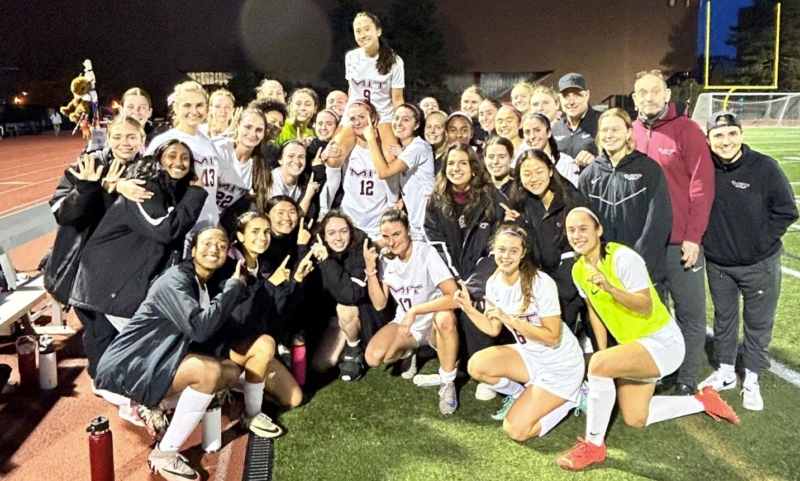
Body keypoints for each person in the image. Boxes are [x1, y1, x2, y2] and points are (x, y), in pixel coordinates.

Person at [556, 207, 739, 471]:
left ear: (599, 231)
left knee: (597, 365)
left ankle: (594, 446)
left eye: (583, 228)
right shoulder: (578, 270)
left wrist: (609, 287)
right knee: (636, 417)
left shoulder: (622, 258)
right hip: (634, 347)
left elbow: (645, 306)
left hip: (662, 343)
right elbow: (594, 313)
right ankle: (703, 401)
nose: (577, 235)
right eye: (571, 230)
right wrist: (605, 352)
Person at [94, 227, 268, 480]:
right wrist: (233, 287)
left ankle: (156, 404)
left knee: (229, 372)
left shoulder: (202, 285)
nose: (215, 249)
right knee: (207, 372)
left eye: (221, 246)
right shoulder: (175, 280)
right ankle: (164, 454)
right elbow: (199, 328)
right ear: (193, 250)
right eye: (207, 243)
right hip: (128, 368)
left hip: (157, 362)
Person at [699, 112, 798, 411]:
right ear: (708, 139)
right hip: (719, 264)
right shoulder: (703, 168)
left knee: (758, 323)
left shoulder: (765, 167)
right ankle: (727, 370)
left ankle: (752, 377)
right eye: (718, 135)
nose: (725, 141)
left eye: (731, 134)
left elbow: (786, 210)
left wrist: (759, 243)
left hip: (760, 264)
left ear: (741, 135)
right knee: (724, 319)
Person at [456, 225, 585, 438]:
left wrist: (511, 320)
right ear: (494, 251)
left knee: (516, 431)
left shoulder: (541, 283)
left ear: (523, 253)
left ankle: (576, 396)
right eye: (501, 249)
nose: (506, 256)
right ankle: (520, 394)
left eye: (513, 250)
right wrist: (469, 310)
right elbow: (492, 328)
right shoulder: (494, 283)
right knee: (477, 365)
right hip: (530, 355)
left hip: (561, 366)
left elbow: (552, 337)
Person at [631, 70, 715, 395]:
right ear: (635, 98)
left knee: (690, 313)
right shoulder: (631, 133)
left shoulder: (687, 130)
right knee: (656, 314)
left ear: (667, 95)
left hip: (681, 243)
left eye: (655, 91)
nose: (649, 97)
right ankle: (664, 370)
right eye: (642, 92)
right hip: (644, 245)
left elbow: (701, 186)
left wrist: (693, 236)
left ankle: (686, 378)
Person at [425, 142, 506, 398]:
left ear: (474, 168)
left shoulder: (492, 199)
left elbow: (498, 247)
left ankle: (487, 371)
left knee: (478, 305)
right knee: (445, 316)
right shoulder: (436, 200)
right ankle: (455, 363)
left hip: (485, 277)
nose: (456, 168)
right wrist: (455, 278)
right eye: (450, 163)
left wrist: (473, 282)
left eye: (462, 163)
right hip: (453, 277)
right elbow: (435, 242)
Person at [46, 116, 150, 308]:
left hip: (126, 268)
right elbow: (65, 215)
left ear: (141, 140)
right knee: (100, 335)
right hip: (83, 269)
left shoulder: (149, 171)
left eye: (131, 137)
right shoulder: (88, 165)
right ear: (108, 139)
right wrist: (88, 188)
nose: (124, 143)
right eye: (117, 137)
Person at [204, 212, 306, 409]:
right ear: (241, 236)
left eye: (267, 232)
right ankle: (251, 414)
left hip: (251, 344)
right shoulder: (227, 266)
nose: (263, 237)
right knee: (265, 343)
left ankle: (238, 385)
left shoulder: (262, 265)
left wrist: (296, 281)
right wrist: (270, 285)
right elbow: (238, 318)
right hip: (222, 345)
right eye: (255, 231)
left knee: (294, 399)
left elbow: (275, 317)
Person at [364, 209, 461, 415]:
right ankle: (413, 351)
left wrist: (415, 311)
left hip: (433, 321)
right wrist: (371, 269)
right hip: (407, 324)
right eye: (386, 236)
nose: (391, 241)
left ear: (408, 230)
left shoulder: (425, 253)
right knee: (374, 357)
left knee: (445, 319)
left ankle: (447, 383)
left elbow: (454, 297)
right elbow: (380, 304)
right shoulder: (386, 259)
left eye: (397, 234)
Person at [579, 108, 672, 295]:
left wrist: (637, 261)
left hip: (643, 267)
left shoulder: (648, 169)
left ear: (628, 132)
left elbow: (659, 220)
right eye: (604, 130)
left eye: (615, 129)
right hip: (603, 268)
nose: (609, 135)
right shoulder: (589, 175)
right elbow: (584, 223)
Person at [504, 149, 588, 334]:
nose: (534, 178)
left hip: (569, 283)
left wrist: (551, 291)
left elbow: (577, 250)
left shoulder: (571, 199)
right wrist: (520, 224)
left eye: (539, 171)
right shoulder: (522, 202)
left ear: (551, 170)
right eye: (526, 174)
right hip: (539, 280)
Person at [309, 210, 387, 381]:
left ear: (351, 232)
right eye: (332, 233)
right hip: (333, 318)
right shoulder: (316, 250)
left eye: (344, 231)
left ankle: (354, 348)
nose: (338, 238)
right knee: (320, 365)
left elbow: (350, 296)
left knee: (345, 308)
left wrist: (327, 261)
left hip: (362, 313)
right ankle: (344, 342)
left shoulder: (362, 249)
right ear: (323, 236)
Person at [328, 12, 405, 165]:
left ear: (378, 31)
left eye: (367, 29)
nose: (363, 34)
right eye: (358, 31)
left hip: (382, 114)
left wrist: (402, 126)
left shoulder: (394, 61)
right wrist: (347, 116)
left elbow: (397, 99)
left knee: (392, 160)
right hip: (356, 112)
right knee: (333, 158)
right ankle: (337, 188)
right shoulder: (351, 57)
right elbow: (352, 90)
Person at [146, 81, 222, 232]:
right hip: (181, 225)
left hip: (207, 225)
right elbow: (144, 179)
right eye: (187, 105)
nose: (194, 111)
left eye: (199, 105)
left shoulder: (208, 142)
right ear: (176, 107)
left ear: (207, 108)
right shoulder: (164, 141)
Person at [365, 103, 434, 241]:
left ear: (416, 125)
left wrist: (371, 139)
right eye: (396, 118)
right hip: (416, 225)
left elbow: (384, 172)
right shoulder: (407, 149)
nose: (398, 123)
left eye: (406, 119)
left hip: (428, 225)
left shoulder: (418, 147)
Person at [336, 101, 399, 240]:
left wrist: (392, 206)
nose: (357, 122)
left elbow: (392, 180)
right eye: (352, 119)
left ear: (373, 118)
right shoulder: (349, 148)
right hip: (350, 221)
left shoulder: (384, 149)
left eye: (362, 117)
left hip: (377, 225)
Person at [214, 106, 270, 234]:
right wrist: (217, 227)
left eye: (259, 130)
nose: (252, 134)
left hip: (223, 219)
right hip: (200, 214)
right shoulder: (221, 149)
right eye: (248, 127)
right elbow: (206, 195)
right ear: (237, 126)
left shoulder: (259, 164)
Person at [551, 73, 600, 168]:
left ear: (587, 95)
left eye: (577, 95)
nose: (571, 102)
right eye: (566, 96)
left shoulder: (602, 122)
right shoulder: (556, 128)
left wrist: (597, 160)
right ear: (560, 99)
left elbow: (618, 155)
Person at [520, 112, 579, 185]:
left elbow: (574, 194)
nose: (532, 136)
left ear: (549, 132)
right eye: (527, 132)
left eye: (537, 130)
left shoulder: (566, 163)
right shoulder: (521, 165)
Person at [272, 140, 320, 216]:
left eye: (301, 157)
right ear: (280, 160)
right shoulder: (271, 180)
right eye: (291, 156)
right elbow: (284, 218)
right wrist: (308, 196)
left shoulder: (305, 180)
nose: (297, 161)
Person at [308, 109, 342, 217]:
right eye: (320, 123)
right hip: (313, 206)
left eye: (329, 124)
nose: (323, 128)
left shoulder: (343, 147)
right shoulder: (309, 148)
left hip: (339, 204)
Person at [252, 99, 289, 168]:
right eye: (273, 121)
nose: (277, 126)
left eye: (281, 124)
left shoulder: (274, 151)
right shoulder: (246, 143)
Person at [425, 110, 448, 175]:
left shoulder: (451, 156)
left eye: (438, 127)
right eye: (428, 127)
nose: (432, 131)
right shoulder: (422, 153)